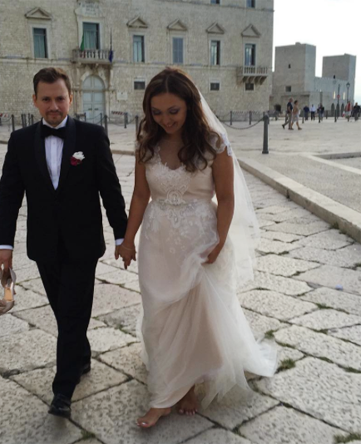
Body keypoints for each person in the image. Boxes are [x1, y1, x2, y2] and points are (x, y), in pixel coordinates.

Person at [119, 68, 277, 428]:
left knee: (195, 314)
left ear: (190, 105)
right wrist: (128, 240)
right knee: (159, 313)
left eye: (173, 111)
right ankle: (171, 382)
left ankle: (179, 389)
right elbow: (141, 195)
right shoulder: (147, 143)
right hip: (157, 240)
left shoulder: (214, 143)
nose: (166, 119)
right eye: (157, 112)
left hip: (200, 237)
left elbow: (227, 197)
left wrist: (219, 241)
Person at [0, 67, 127, 419]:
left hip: (83, 243)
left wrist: (122, 234)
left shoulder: (92, 137)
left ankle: (63, 390)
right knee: (64, 311)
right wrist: (2, 243)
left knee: (71, 312)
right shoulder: (20, 141)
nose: (54, 106)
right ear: (35, 101)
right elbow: (9, 196)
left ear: (71, 98)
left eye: (60, 98)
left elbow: (110, 189)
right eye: (47, 99)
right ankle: (80, 356)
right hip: (44, 245)